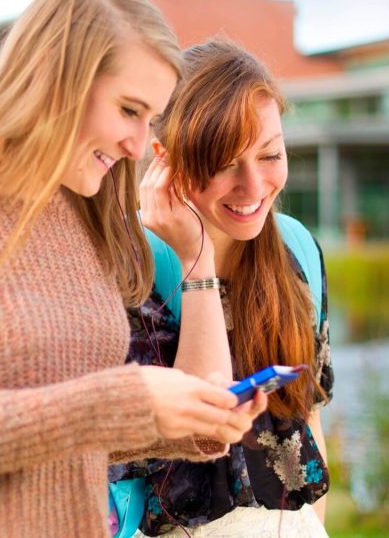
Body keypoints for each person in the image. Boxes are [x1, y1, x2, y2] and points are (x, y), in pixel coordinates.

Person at [0, 0, 267, 538]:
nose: (138, 144)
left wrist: (188, 421)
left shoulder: (82, 216)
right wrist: (129, 397)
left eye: (151, 119)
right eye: (129, 109)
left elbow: (68, 433)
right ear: (57, 81)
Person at [115, 40, 335, 537]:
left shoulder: (298, 249)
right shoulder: (124, 267)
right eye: (225, 163)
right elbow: (200, 433)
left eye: (270, 154)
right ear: (164, 161)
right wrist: (197, 264)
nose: (254, 186)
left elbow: (309, 417)